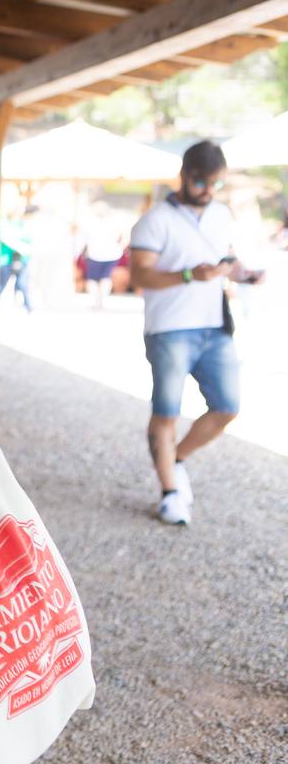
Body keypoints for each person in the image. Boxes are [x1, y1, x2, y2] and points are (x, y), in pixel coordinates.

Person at [129, 141, 257, 526]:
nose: (207, 190)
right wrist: (187, 275)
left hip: (215, 325)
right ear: (183, 175)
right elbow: (139, 274)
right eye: (201, 181)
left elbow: (226, 258)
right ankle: (169, 491)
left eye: (215, 183)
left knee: (227, 407)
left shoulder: (220, 214)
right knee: (166, 411)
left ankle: (177, 459)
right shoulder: (155, 220)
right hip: (169, 328)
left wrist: (241, 272)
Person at [83, 204, 127, 310]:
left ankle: (98, 302)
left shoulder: (91, 223)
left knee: (94, 280)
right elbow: (121, 237)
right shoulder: (113, 223)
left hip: (96, 254)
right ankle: (101, 302)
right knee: (105, 279)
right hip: (110, 254)